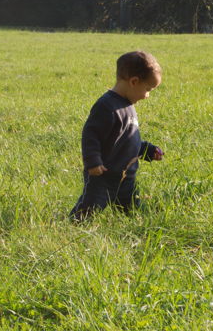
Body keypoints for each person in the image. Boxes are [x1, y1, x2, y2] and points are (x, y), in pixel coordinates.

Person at [69, 50, 164, 220]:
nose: (148, 95)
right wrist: (93, 162)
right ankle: (73, 225)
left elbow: (127, 140)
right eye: (148, 89)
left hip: (126, 177)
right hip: (103, 176)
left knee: (132, 209)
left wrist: (147, 150)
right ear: (134, 81)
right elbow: (91, 135)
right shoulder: (106, 106)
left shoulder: (128, 105)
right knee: (90, 206)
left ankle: (134, 225)